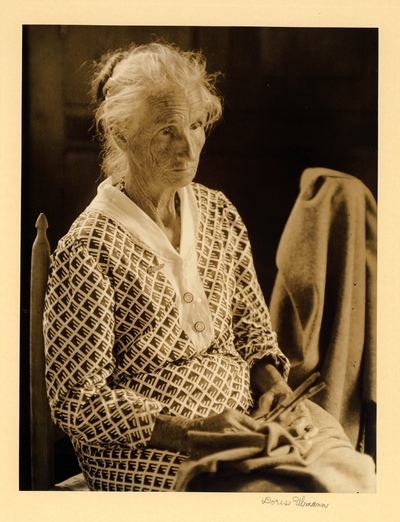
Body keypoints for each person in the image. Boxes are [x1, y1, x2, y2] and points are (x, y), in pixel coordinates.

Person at [43, 42, 375, 492]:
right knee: (280, 494)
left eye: (196, 125)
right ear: (121, 133)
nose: (188, 147)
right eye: (166, 130)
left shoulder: (219, 212)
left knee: (350, 475)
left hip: (247, 420)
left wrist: (272, 383)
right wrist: (192, 433)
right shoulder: (87, 248)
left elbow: (250, 332)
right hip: (148, 452)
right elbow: (78, 402)